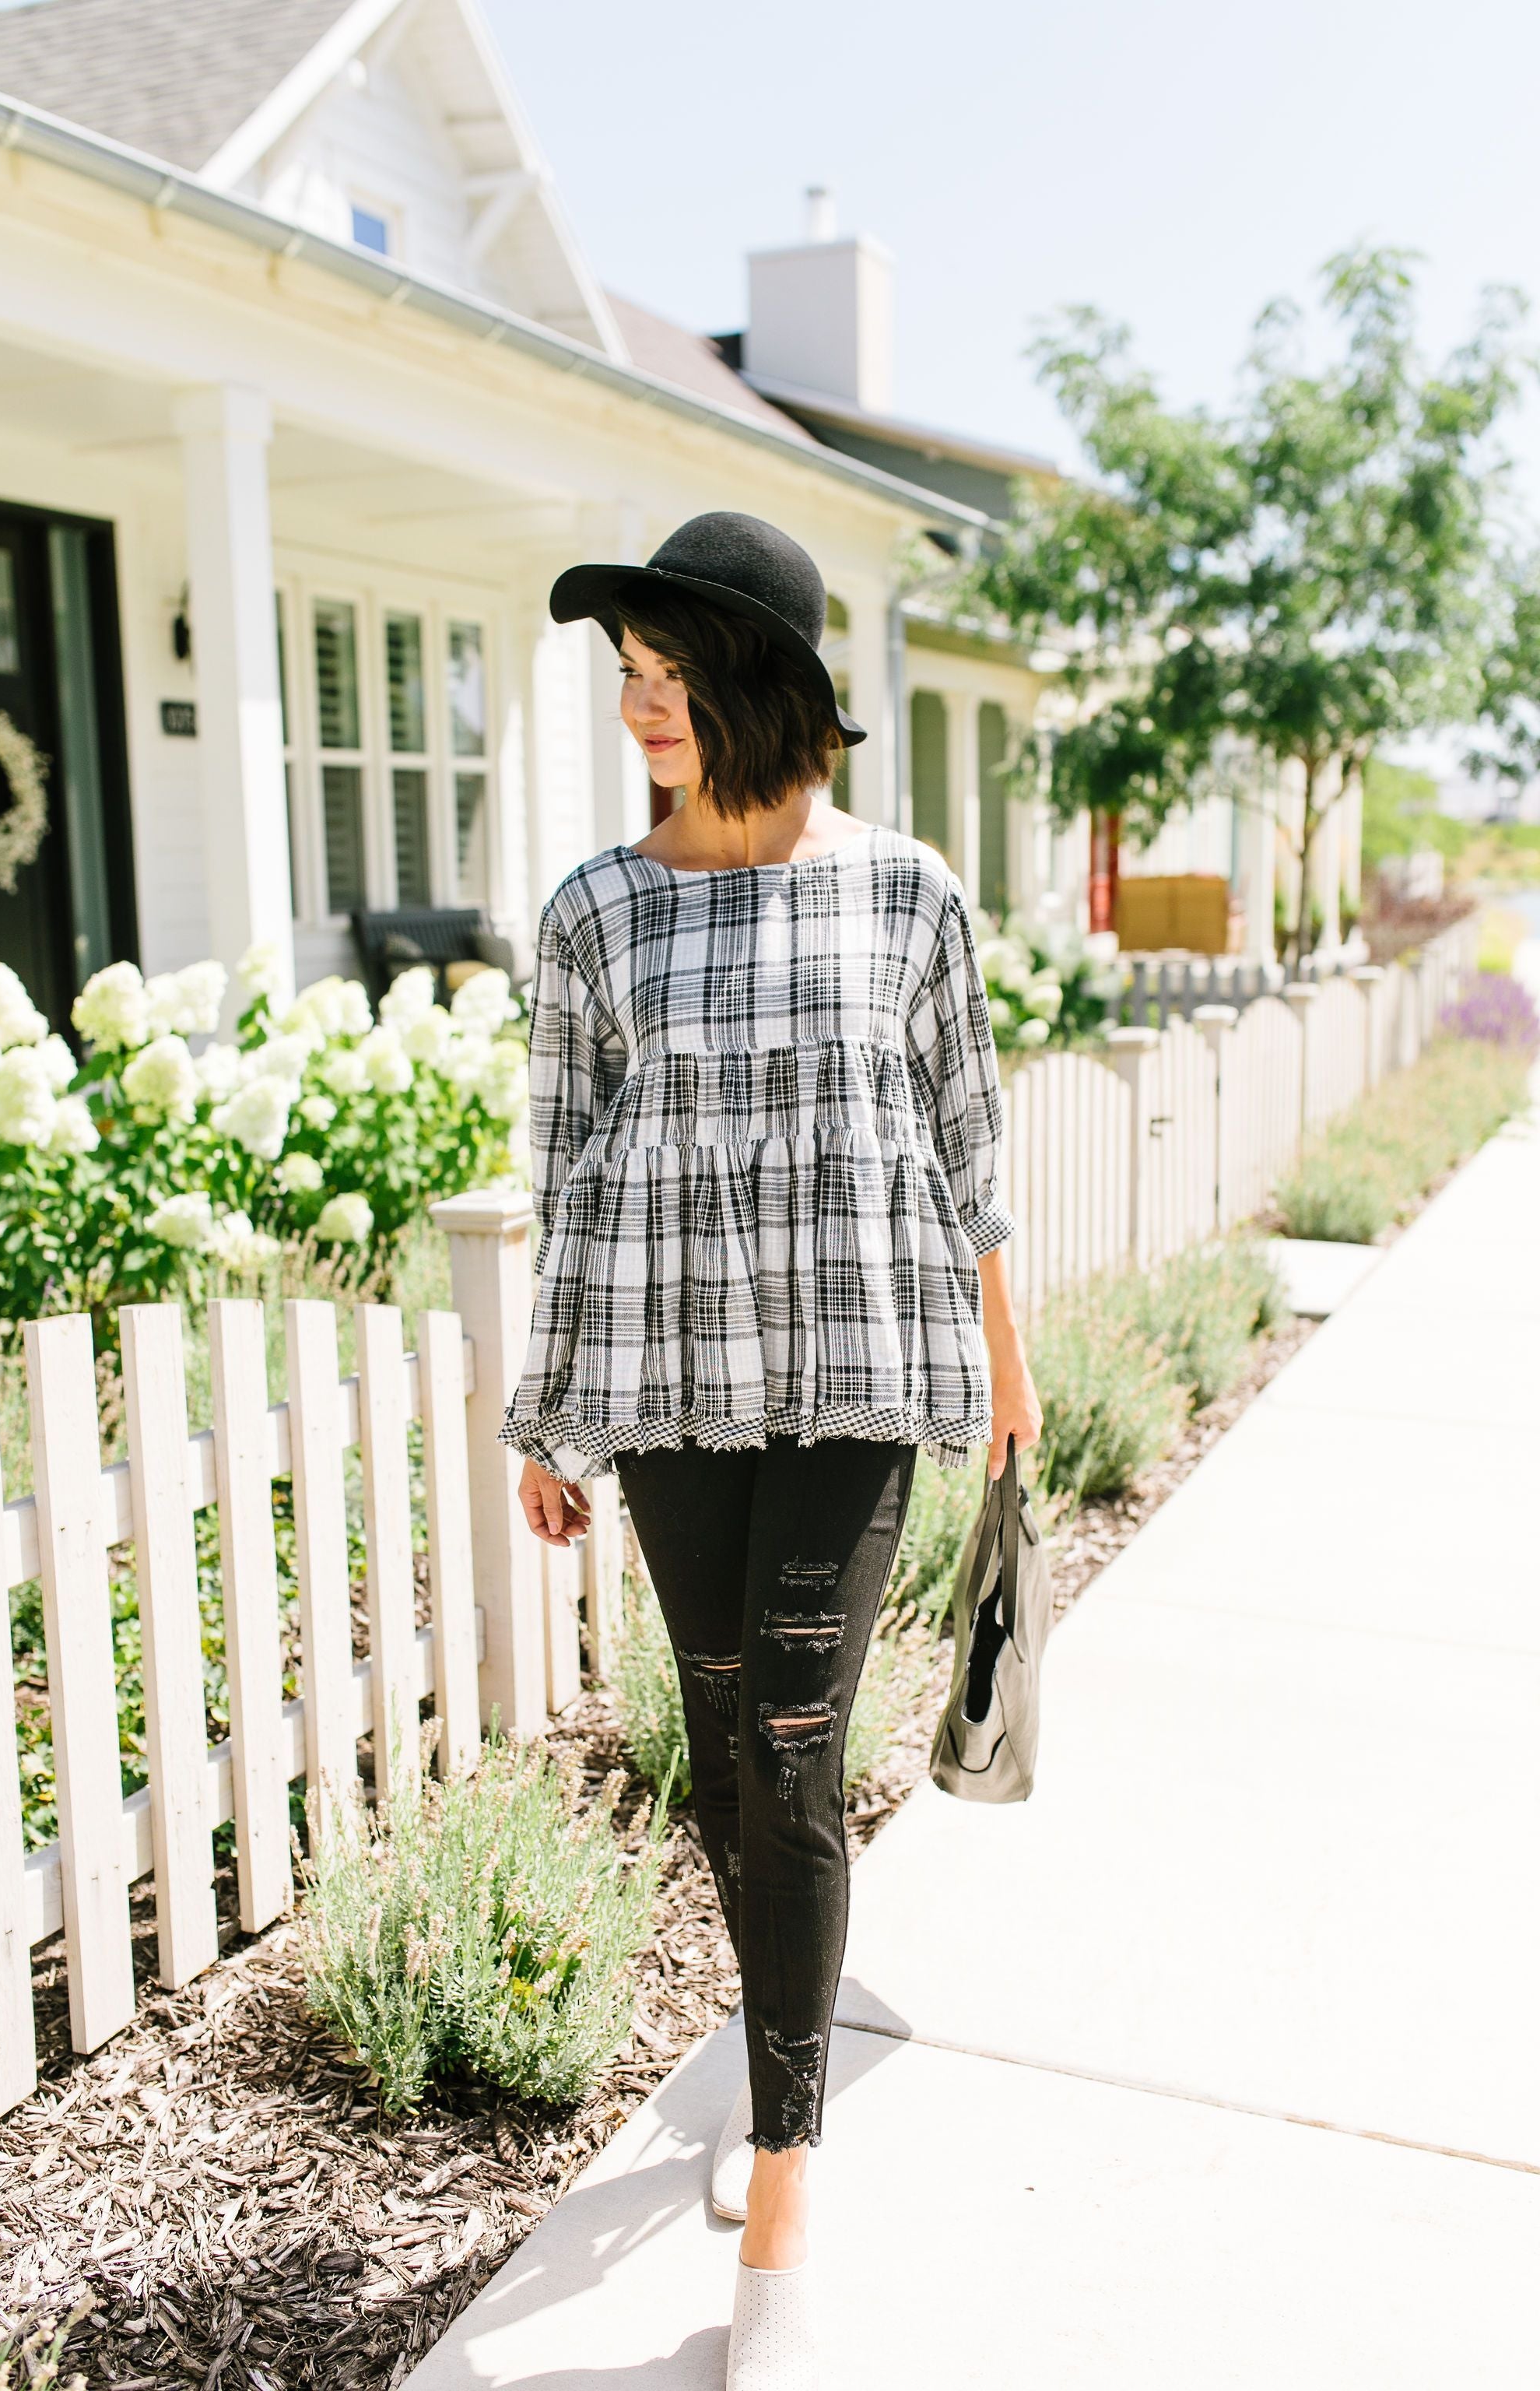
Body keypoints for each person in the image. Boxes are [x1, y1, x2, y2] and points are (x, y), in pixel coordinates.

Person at [501, 511, 1042, 2389]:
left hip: (864, 1369)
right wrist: (550, 1411)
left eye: (671, 674)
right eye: (628, 678)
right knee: (725, 1743)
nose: (643, 706)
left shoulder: (904, 892)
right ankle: (773, 2056)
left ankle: (789, 2188)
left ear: (764, 691)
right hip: (665, 1384)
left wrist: (1009, 1365)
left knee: (796, 1742)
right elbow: (563, 1175)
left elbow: (967, 1144)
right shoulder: (592, 911)